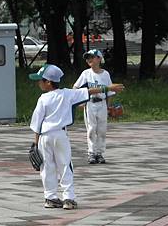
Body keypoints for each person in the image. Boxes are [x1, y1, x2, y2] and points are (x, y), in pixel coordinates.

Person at [29, 64, 124, 210]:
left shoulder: (43, 99)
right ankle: (68, 198)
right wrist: (109, 88)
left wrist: (35, 144)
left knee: (47, 167)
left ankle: (50, 197)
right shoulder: (67, 94)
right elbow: (89, 91)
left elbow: (37, 122)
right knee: (65, 165)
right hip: (60, 134)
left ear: (48, 82)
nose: (38, 82)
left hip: (44, 136)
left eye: (40, 80)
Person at [73, 49, 115, 164]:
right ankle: (91, 153)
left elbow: (110, 92)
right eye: (87, 58)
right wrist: (80, 101)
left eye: (92, 57)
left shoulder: (105, 74)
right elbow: (76, 88)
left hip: (101, 103)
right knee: (91, 129)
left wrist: (108, 106)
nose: (89, 60)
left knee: (101, 129)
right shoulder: (86, 74)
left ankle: (99, 153)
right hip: (90, 104)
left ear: (99, 59)